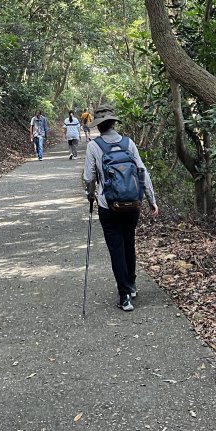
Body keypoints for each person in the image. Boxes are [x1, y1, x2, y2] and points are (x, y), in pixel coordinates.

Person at [83, 104, 158, 312]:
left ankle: (125, 296)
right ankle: (131, 284)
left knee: (116, 248)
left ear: (98, 126)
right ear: (114, 123)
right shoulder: (128, 143)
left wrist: (90, 195)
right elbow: (142, 171)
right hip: (132, 204)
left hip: (108, 206)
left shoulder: (94, 146)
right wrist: (151, 199)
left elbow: (89, 177)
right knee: (128, 242)